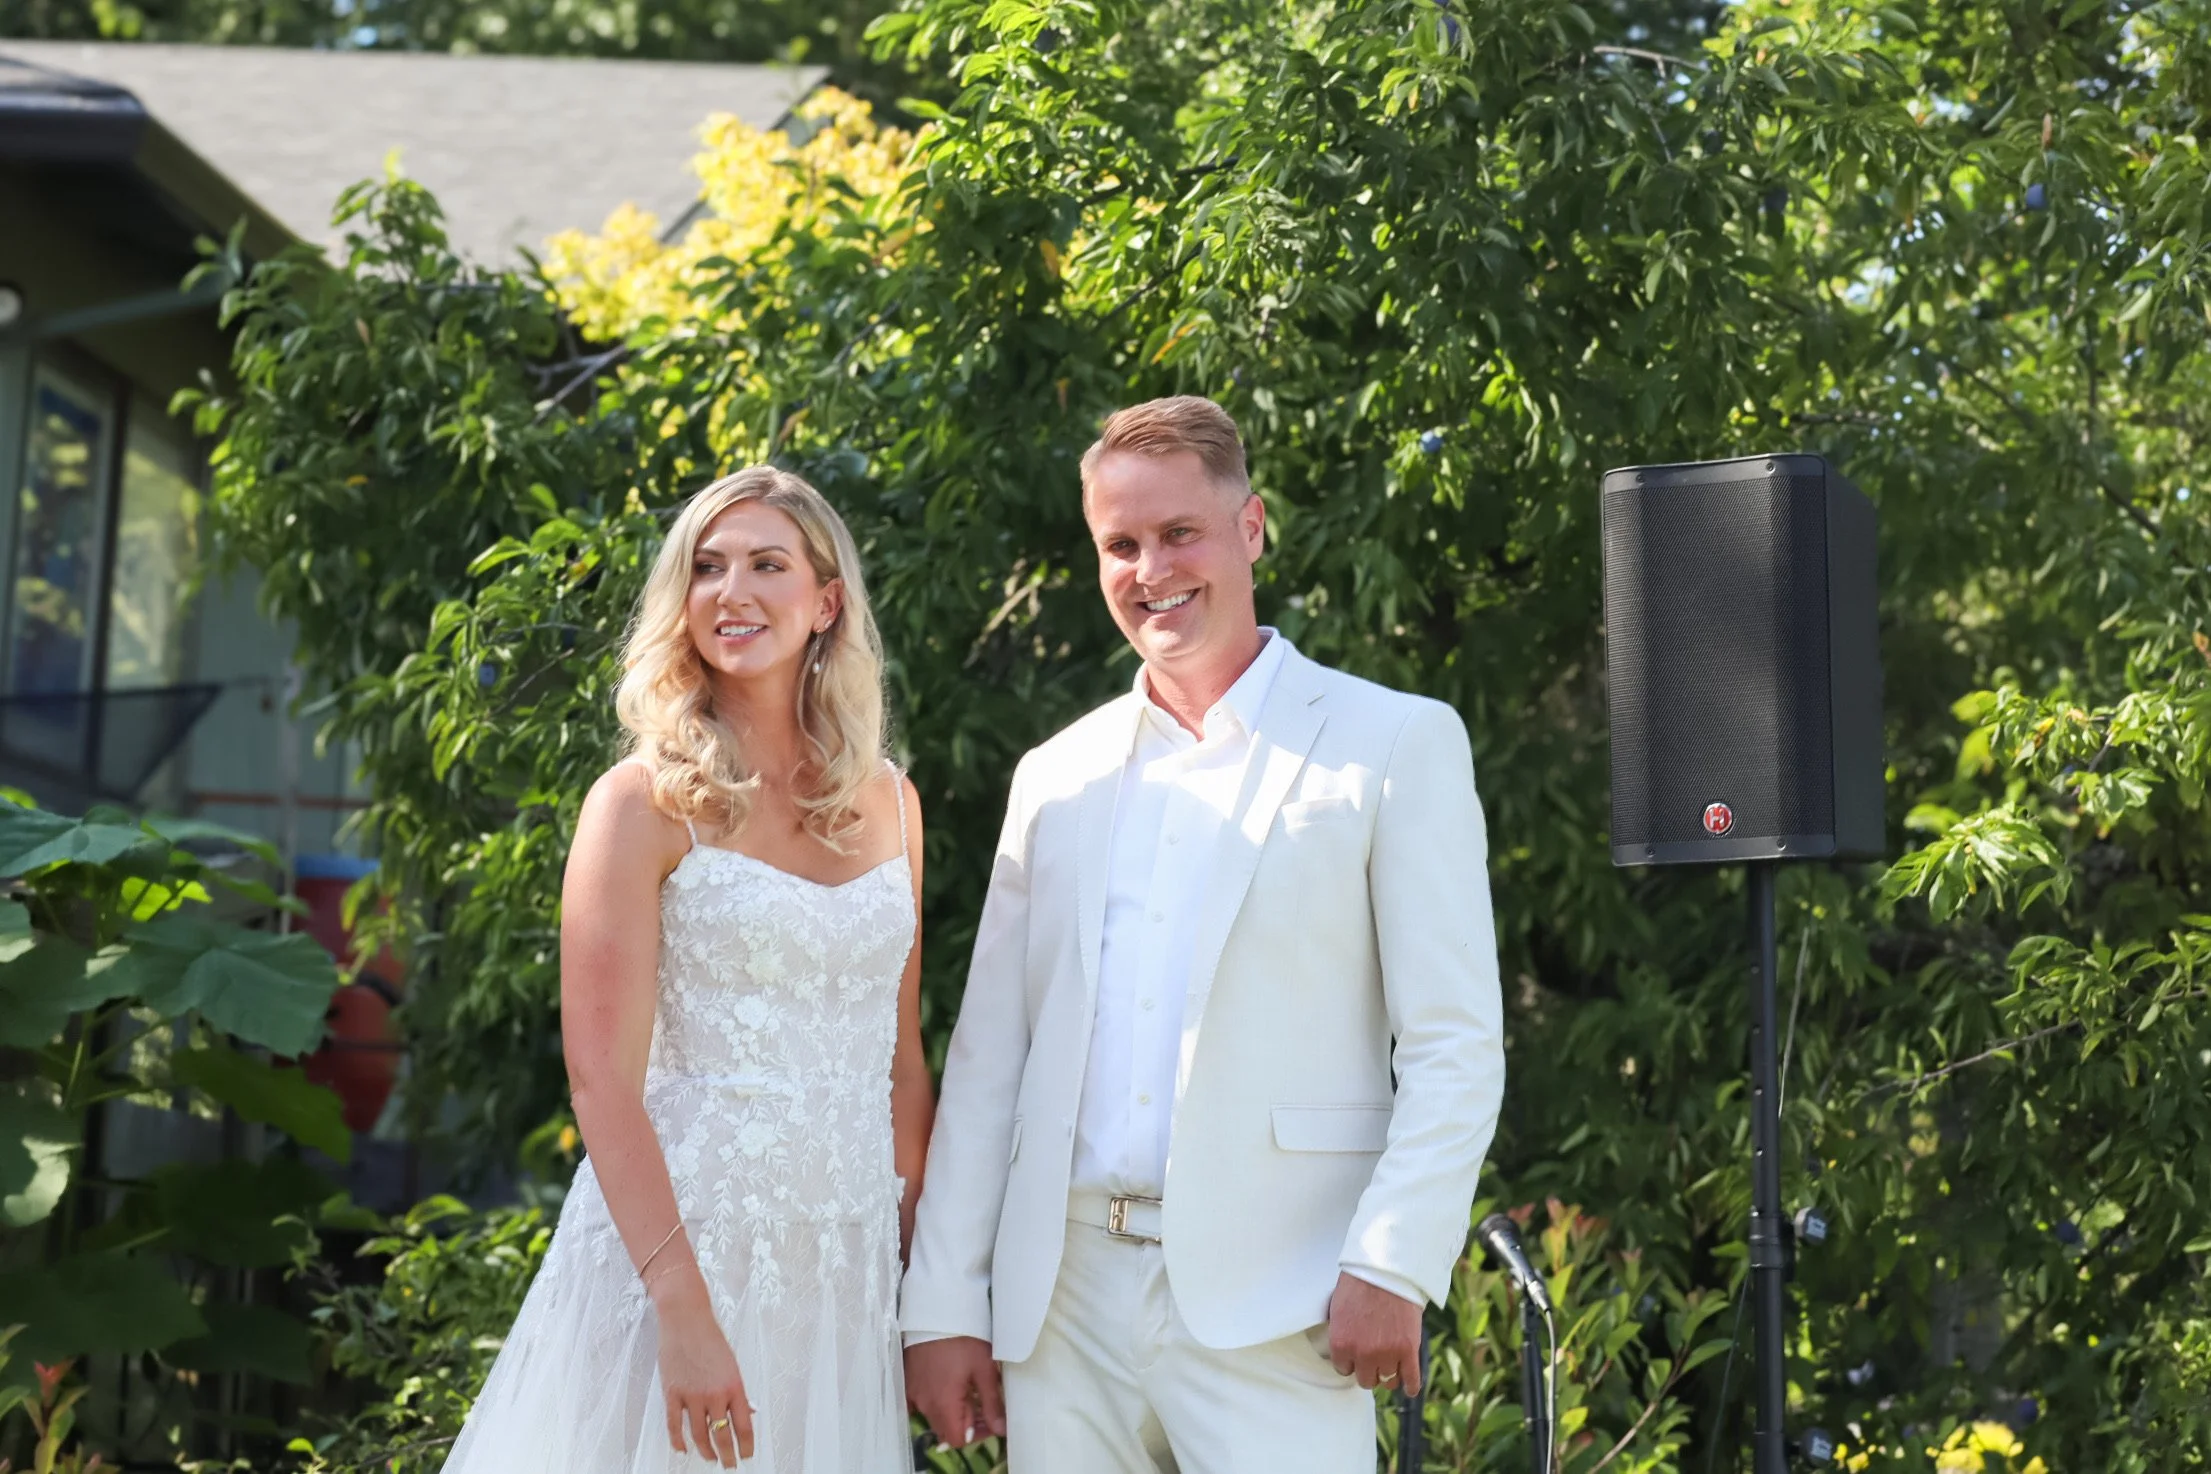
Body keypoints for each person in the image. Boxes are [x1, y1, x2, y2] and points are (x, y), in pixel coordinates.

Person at [901, 396, 1506, 1472]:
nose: (1151, 570)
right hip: (1063, 1307)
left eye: (1179, 532)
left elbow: (1454, 1043)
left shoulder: (1394, 742)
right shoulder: (1054, 775)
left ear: (1251, 527)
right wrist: (943, 1301)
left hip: (1283, 1299)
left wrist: (1395, 1259)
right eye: (1120, 545)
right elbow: (991, 1058)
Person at [442, 466, 933, 1474]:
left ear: (826, 601)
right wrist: (682, 1309)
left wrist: (927, 1285)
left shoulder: (892, 802)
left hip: (840, 1276)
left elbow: (901, 1063)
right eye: (707, 567)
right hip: (676, 1262)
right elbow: (600, 1080)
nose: (731, 591)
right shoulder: (640, 803)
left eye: (766, 564)